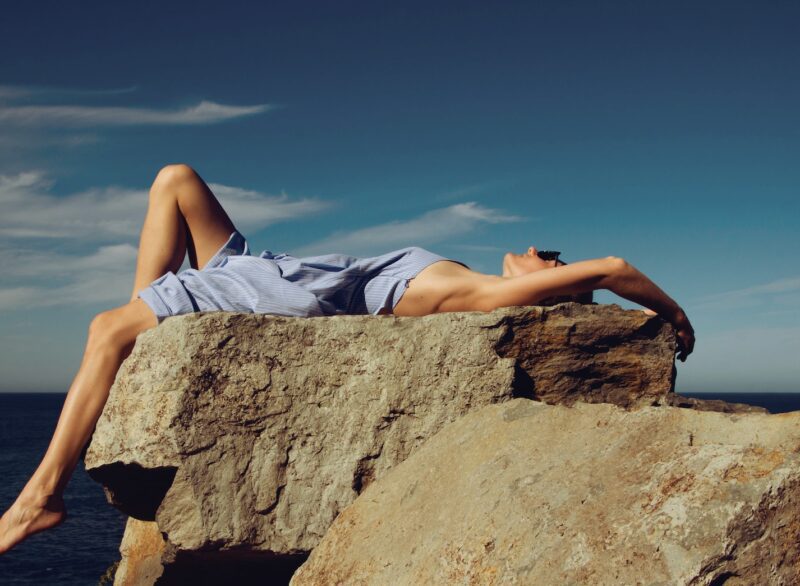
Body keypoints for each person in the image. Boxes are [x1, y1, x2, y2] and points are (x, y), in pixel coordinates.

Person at [0, 164, 695, 554]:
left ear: (545, 281)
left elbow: (613, 268)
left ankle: (41, 494)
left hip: (298, 292)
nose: (537, 252)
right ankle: (148, 321)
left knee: (105, 326)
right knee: (174, 180)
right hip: (282, 267)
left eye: (549, 259)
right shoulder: (464, 278)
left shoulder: (484, 292)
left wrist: (674, 316)